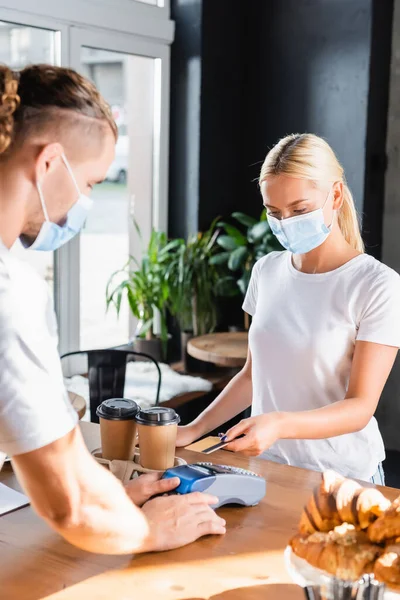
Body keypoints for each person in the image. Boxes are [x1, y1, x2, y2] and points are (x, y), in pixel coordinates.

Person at [0, 64, 225, 554]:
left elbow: (59, 465)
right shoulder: (9, 294)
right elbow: (69, 506)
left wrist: (110, 498)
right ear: (49, 164)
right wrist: (148, 530)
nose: (86, 201)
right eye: (91, 183)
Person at [177, 133, 400, 485]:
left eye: (300, 210)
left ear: (336, 195)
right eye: (274, 212)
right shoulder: (266, 270)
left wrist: (279, 423)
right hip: (269, 468)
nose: (286, 222)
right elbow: (253, 376)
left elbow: (360, 407)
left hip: (343, 477)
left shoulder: (377, 285)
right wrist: (193, 429)